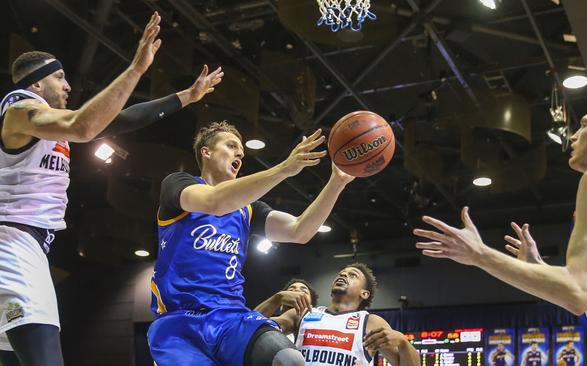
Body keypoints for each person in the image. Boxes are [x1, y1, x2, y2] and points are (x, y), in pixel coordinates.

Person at [0, 12, 224, 366]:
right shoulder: (21, 109)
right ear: (37, 85)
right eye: (60, 78)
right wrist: (136, 68)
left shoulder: (48, 125)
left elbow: (122, 120)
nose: (68, 86)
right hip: (12, 244)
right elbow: (84, 124)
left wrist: (185, 97)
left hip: (27, 245)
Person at [413, 94, 587, 365]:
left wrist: (479, 254)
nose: (574, 136)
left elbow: (577, 292)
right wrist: (539, 268)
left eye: (584, 125)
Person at [147, 121, 355, 366]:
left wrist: (337, 183)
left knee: (290, 360)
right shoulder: (177, 184)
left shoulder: (248, 209)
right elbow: (214, 201)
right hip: (180, 324)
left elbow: (300, 231)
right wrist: (284, 169)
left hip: (231, 319)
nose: (239, 154)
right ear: (206, 152)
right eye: (231, 146)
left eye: (242, 153)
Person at [272, 263, 419, 366]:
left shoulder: (369, 322)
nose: (343, 274)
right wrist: (276, 299)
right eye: (341, 273)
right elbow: (251, 327)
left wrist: (403, 342)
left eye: (352, 275)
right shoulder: (304, 313)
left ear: (364, 293)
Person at [255, 279, 320, 342]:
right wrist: (277, 298)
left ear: (311, 305)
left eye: (304, 292)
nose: (297, 290)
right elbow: (250, 325)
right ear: (281, 306)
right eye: (291, 290)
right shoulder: (267, 321)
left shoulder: (321, 321)